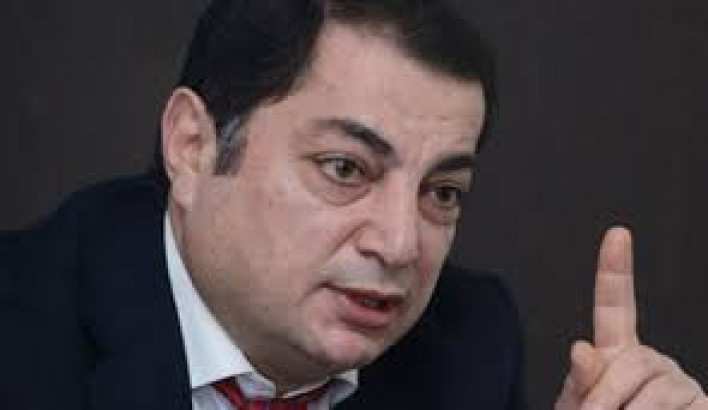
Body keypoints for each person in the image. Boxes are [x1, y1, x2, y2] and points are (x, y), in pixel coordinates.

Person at [0, 0, 705, 409]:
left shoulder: (467, 350)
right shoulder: (22, 336)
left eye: (442, 192)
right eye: (345, 169)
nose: (400, 245)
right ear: (194, 147)